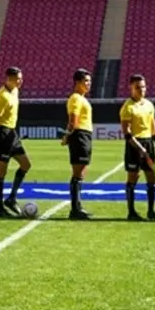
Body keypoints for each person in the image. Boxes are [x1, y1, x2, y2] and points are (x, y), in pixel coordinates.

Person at [0, 67, 31, 217]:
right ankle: (0, 207)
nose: (21, 81)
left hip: (12, 133)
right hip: (2, 134)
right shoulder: (2, 96)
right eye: (18, 79)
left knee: (25, 164)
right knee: (1, 172)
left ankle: (11, 198)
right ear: (9, 79)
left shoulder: (15, 91)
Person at [120, 74, 155, 221]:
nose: (141, 90)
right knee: (133, 177)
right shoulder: (127, 107)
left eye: (143, 87)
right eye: (138, 87)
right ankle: (131, 212)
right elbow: (126, 132)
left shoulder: (149, 105)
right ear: (131, 88)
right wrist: (139, 147)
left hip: (148, 143)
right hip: (134, 145)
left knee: (151, 178)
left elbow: (153, 125)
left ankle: (151, 211)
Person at [62, 69, 93, 220]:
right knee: (77, 173)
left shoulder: (81, 98)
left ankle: (77, 207)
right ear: (78, 82)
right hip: (79, 135)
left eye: (89, 81)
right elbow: (73, 120)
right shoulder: (75, 98)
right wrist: (67, 135)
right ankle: (75, 209)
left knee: (81, 173)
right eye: (86, 81)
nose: (89, 84)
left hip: (84, 135)